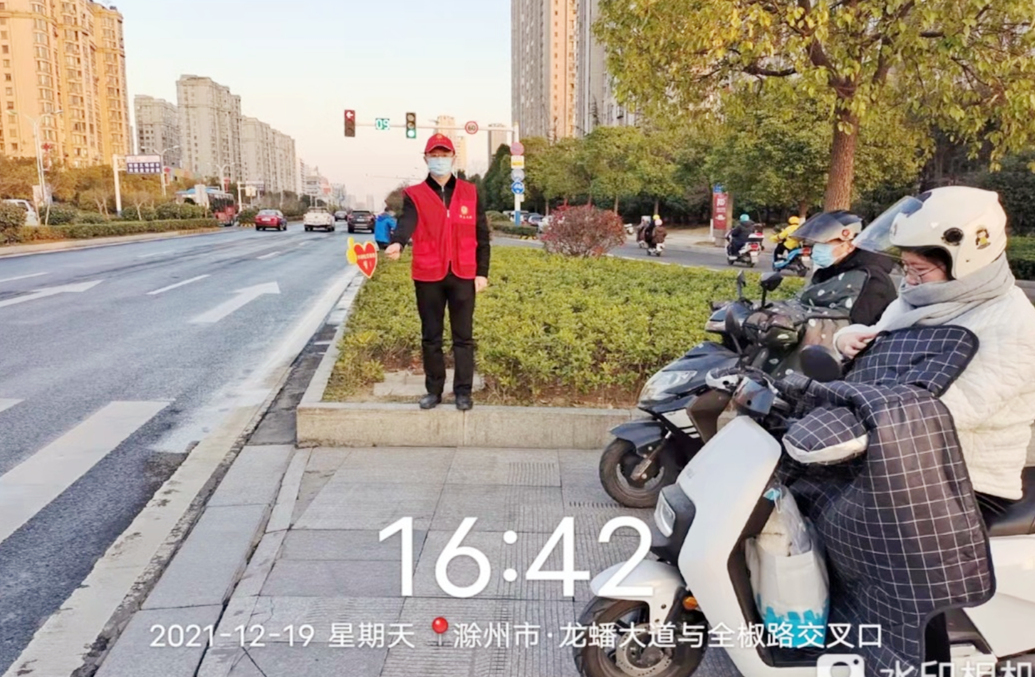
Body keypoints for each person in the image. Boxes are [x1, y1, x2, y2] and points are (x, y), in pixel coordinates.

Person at [833, 186, 1035, 506]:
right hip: (898, 459)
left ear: (967, 260)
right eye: (906, 267)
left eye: (920, 270)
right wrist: (847, 338)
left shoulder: (1013, 321)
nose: (910, 279)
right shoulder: (921, 297)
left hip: (966, 480)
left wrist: (857, 427)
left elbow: (956, 408)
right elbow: (880, 338)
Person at [385, 133, 491, 411]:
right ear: (426, 159)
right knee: (431, 336)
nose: (440, 160)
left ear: (453, 158)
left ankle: (463, 392)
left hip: (463, 273)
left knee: (463, 337)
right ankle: (434, 390)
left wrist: (482, 271)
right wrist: (397, 242)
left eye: (444, 155)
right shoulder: (414, 195)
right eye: (435, 156)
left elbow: (482, 234)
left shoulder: (470, 192)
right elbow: (407, 221)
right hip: (428, 274)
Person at [790, 209, 897, 326]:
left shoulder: (871, 280)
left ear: (850, 245)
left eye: (825, 243)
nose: (817, 248)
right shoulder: (829, 271)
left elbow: (851, 327)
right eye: (816, 243)